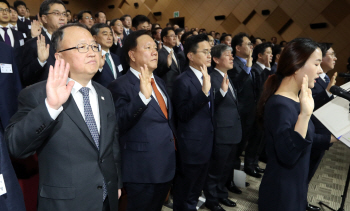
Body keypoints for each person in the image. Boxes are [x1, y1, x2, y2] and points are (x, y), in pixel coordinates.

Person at [5, 23, 122, 211]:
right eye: (82, 47)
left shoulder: (104, 94)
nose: (92, 52)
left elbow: (111, 145)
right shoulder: (37, 94)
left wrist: (116, 182)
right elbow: (15, 146)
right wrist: (50, 107)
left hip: (106, 198)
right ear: (59, 56)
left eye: (93, 46)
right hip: (65, 203)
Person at [257, 38, 337, 211]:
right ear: (297, 65)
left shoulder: (295, 99)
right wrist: (305, 115)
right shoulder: (280, 105)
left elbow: (305, 137)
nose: (319, 71)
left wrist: (335, 137)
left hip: (295, 185)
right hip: (281, 193)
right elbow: (288, 154)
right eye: (316, 64)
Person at [107, 30, 176, 211]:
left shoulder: (159, 82)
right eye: (148, 48)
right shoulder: (119, 85)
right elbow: (117, 124)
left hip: (165, 164)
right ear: (132, 54)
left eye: (155, 47)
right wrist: (142, 99)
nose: (155, 52)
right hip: (141, 170)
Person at [172, 34, 214, 211]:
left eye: (209, 51)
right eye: (205, 52)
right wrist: (203, 94)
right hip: (191, 147)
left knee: (195, 192)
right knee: (185, 193)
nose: (209, 55)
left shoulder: (207, 76)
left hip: (206, 143)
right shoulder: (182, 81)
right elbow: (182, 114)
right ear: (190, 55)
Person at [203, 44, 241, 211]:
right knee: (216, 170)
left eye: (232, 54)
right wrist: (222, 93)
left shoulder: (227, 76)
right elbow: (209, 105)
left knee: (226, 169)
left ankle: (222, 195)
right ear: (216, 59)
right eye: (228, 55)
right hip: (221, 133)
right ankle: (212, 200)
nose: (232, 57)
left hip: (233, 131)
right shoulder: (211, 77)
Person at [307, 43, 337, 211]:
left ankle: (301, 200)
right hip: (313, 132)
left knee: (311, 170)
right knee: (305, 170)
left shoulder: (325, 78)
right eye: (331, 54)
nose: (335, 58)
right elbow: (311, 106)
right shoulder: (315, 79)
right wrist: (327, 93)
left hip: (322, 131)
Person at [20, 0, 67, 86]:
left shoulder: (72, 42)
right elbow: (25, 77)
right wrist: (40, 61)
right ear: (45, 18)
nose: (62, 18)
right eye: (57, 13)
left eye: (64, 14)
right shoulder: (34, 44)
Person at [91, 23, 122, 87]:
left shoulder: (116, 57)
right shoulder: (92, 57)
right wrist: (99, 68)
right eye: (105, 34)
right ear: (94, 38)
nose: (109, 37)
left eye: (111, 34)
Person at [154, 27, 181, 98]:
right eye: (172, 36)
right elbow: (157, 73)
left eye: (175, 36)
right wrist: (167, 66)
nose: (175, 38)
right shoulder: (159, 54)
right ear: (165, 39)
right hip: (167, 91)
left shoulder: (174, 53)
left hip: (177, 89)